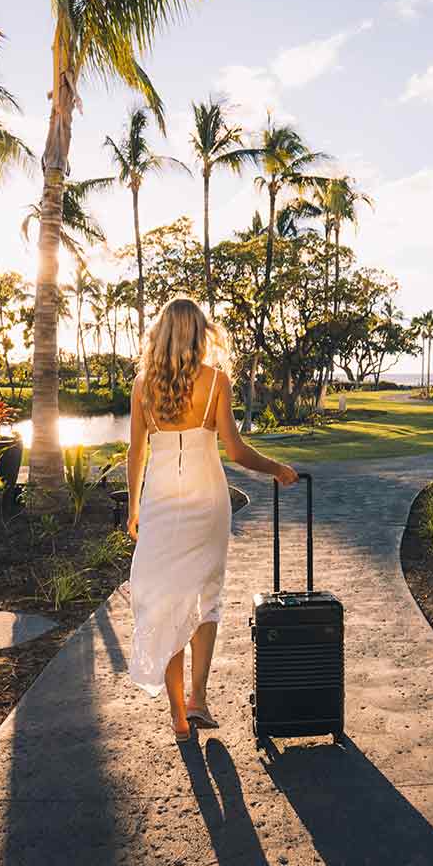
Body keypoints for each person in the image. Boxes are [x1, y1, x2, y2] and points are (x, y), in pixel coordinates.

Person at [126, 297, 298, 741]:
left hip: (161, 504)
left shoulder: (143, 386)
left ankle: (179, 719)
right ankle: (198, 697)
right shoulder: (216, 381)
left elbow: (136, 454)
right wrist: (276, 468)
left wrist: (133, 508)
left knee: (165, 602)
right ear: (200, 333)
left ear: (161, 334)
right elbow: (236, 451)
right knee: (206, 597)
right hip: (208, 501)